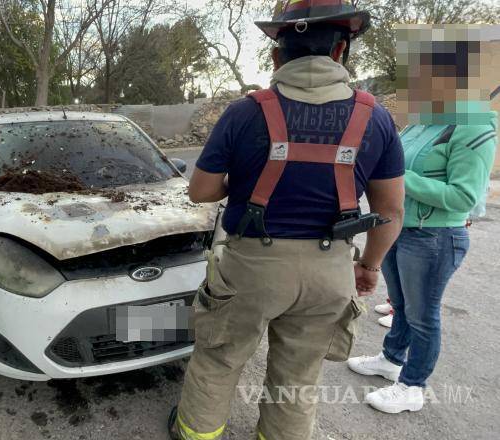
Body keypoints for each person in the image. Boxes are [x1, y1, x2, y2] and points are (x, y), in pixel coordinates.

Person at [168, 1, 406, 439]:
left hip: (250, 268)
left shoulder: (245, 112)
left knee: (219, 358)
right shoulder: (376, 118)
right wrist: (369, 267)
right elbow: (390, 211)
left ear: (277, 56)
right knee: (298, 375)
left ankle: (196, 433)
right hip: (328, 270)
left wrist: (238, 186)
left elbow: (200, 190)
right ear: (340, 53)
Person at [348, 24, 498, 414]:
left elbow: (464, 196)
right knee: (399, 302)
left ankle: (413, 385)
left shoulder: (474, 125)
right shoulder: (421, 121)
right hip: (401, 229)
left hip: (435, 237)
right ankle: (391, 360)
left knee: (423, 315)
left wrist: (401, 181)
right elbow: (390, 158)